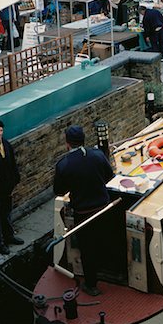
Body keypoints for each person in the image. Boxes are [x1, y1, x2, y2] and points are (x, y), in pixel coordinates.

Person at [54, 126, 114, 296]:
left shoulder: (64, 164)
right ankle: (108, 268)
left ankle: (91, 285)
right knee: (103, 238)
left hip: (83, 212)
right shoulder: (97, 155)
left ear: (67, 143)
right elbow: (109, 176)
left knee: (87, 248)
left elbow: (58, 191)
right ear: (83, 139)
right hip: (103, 207)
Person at [0, 120, 24, 255]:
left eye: (1, 131)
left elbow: (12, 162)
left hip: (6, 188)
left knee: (6, 213)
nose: (0, 133)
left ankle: (9, 236)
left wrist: (15, 179)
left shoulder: (6, 144)